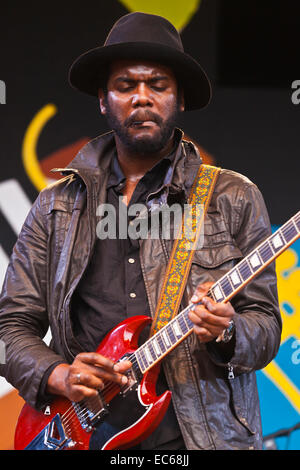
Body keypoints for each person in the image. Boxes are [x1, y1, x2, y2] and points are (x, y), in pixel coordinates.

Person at [0, 12, 281, 450]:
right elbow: (11, 326)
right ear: (103, 99)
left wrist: (226, 332)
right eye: (126, 85)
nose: (142, 97)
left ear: (180, 98)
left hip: (196, 441)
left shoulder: (233, 196)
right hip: (78, 434)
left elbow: (264, 329)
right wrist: (60, 375)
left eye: (158, 85)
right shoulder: (56, 204)